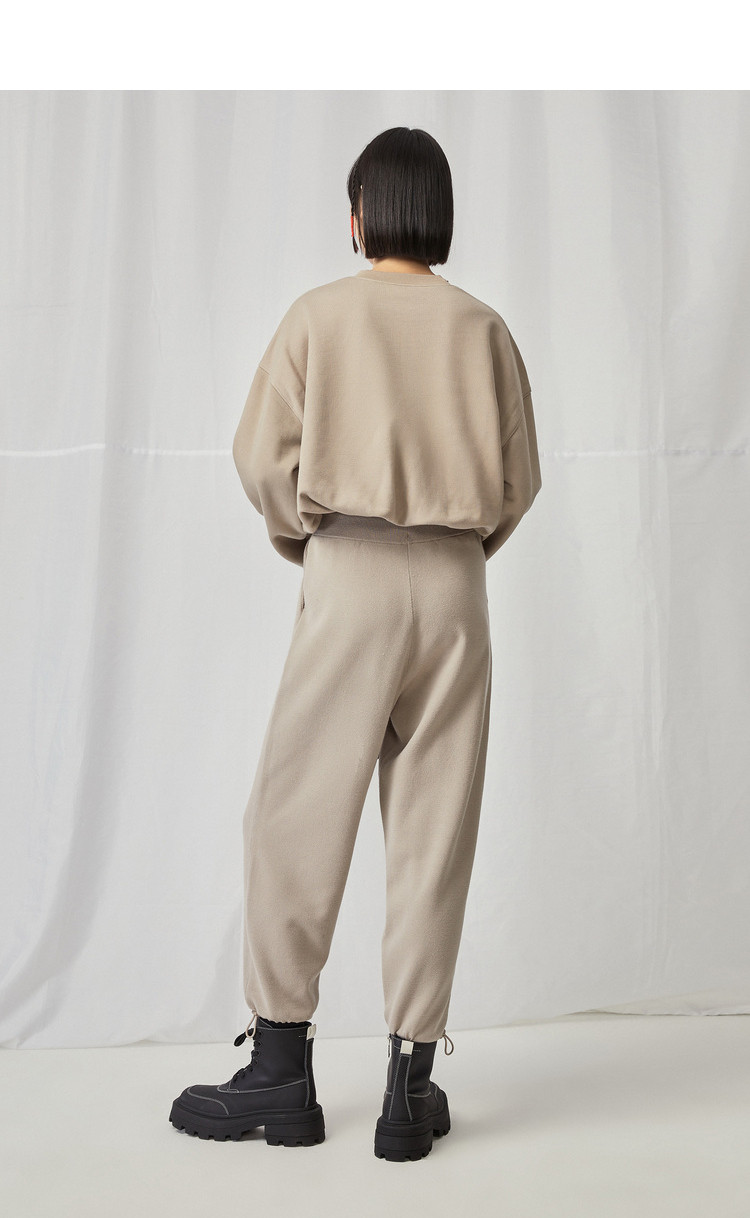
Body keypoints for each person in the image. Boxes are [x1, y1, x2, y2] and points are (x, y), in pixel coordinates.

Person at [170, 126, 542, 1162]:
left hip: (351, 568)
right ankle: (406, 1088)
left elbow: (261, 457)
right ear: (439, 215)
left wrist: (314, 536)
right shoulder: (485, 330)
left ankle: (280, 1072)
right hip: (457, 586)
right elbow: (518, 483)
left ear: (360, 214)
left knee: (296, 812)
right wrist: (459, 549)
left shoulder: (318, 318)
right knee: (434, 831)